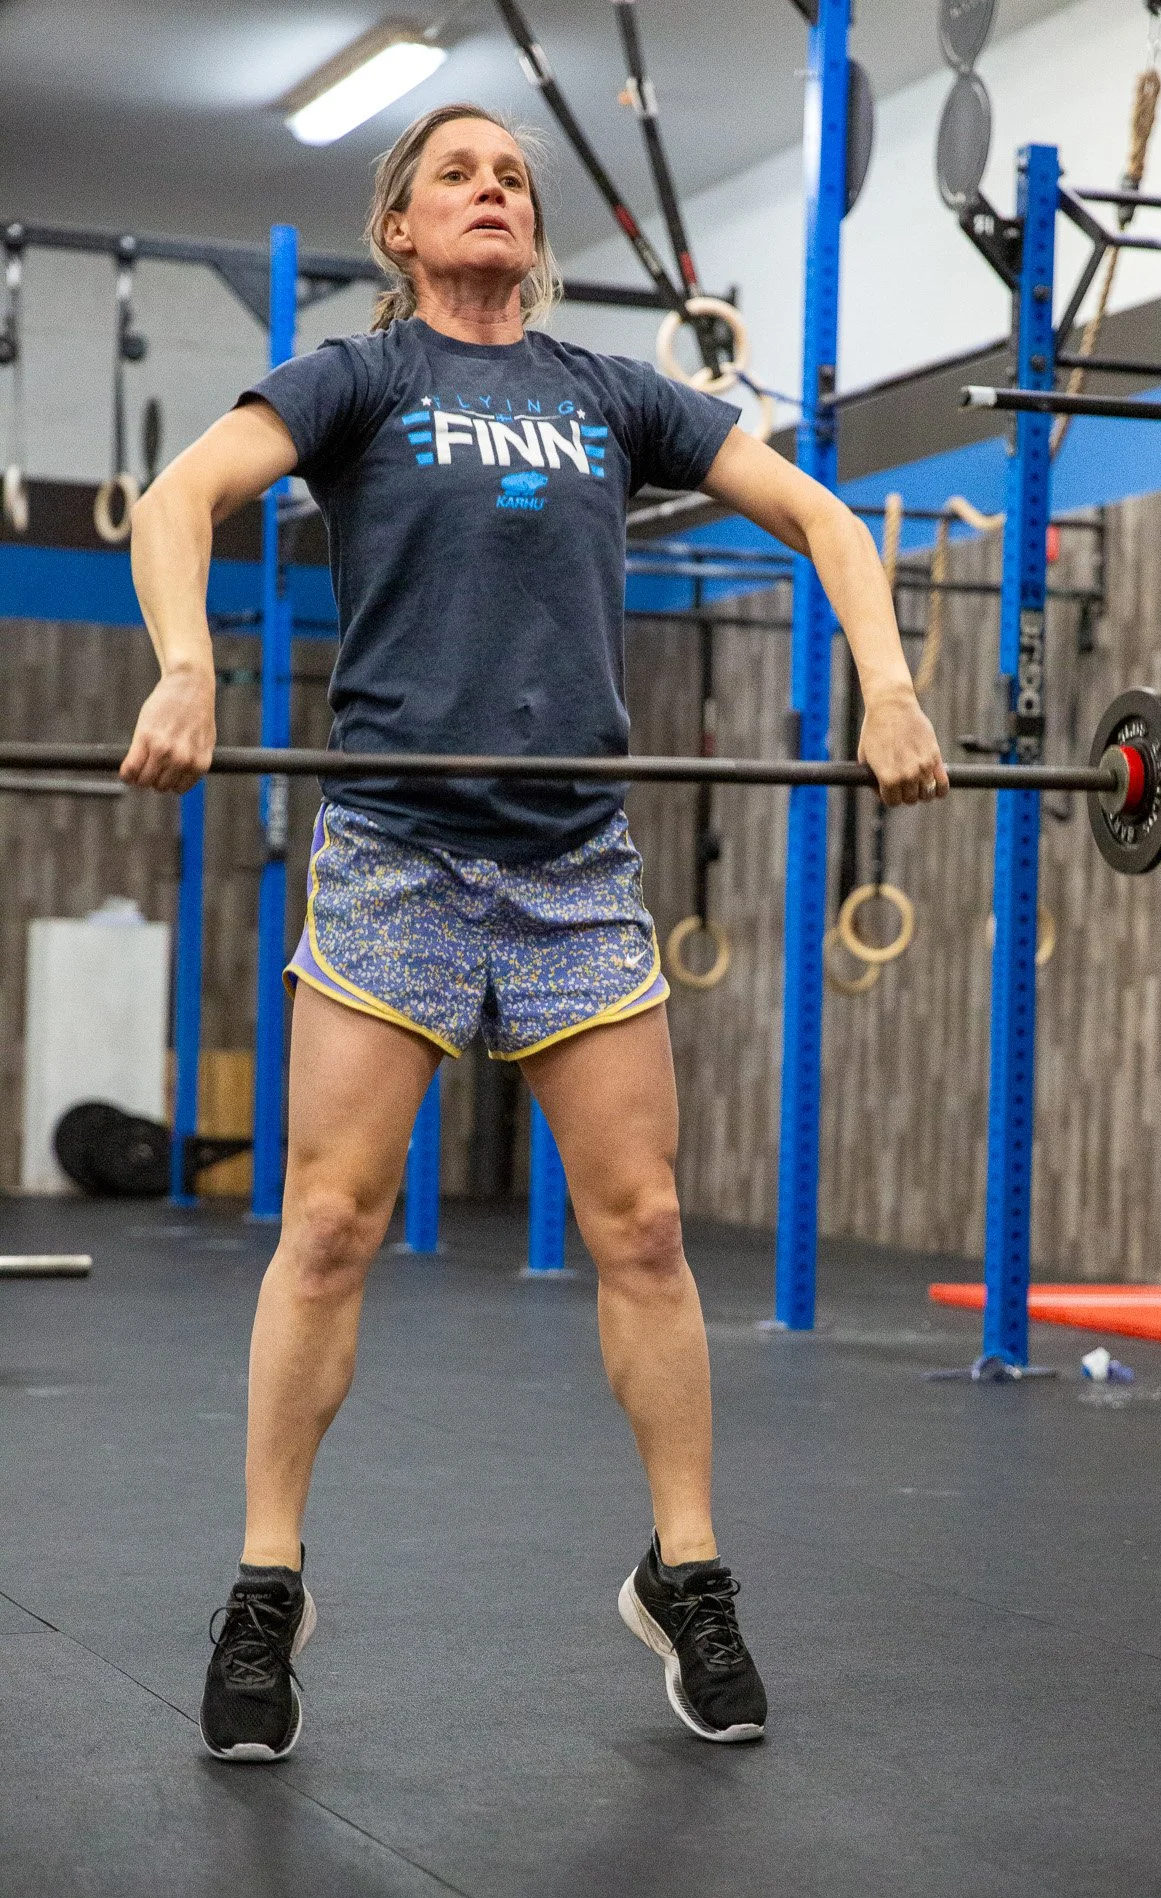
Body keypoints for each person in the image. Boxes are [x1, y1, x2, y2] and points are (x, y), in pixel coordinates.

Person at [121, 102, 948, 1763]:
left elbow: (830, 522)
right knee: (333, 1227)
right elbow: (177, 498)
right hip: (399, 857)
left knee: (641, 1228)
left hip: (573, 864)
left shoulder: (608, 395)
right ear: (404, 230)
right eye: (458, 175)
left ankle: (687, 1572)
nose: (493, 190)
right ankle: (268, 1587)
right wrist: (191, 668)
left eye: (512, 175)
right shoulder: (359, 381)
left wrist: (893, 684)